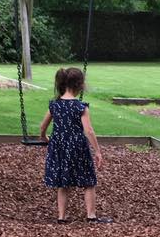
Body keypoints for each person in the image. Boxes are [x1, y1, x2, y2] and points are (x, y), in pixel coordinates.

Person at [38, 67, 112, 223]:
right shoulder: (81, 107)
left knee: (63, 183)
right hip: (78, 146)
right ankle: (91, 215)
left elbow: (42, 127)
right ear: (80, 85)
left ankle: (61, 217)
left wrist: (45, 138)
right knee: (88, 181)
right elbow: (89, 131)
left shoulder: (55, 105)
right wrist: (98, 151)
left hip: (59, 146)